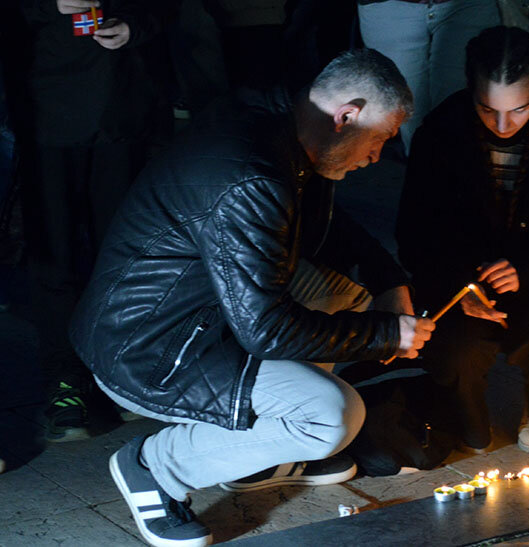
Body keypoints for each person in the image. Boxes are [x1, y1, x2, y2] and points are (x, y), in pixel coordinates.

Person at [69, 49, 435, 547]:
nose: (376, 156)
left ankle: (258, 456)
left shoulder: (284, 128)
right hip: (148, 348)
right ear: (346, 115)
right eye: (380, 138)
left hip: (195, 314)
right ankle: (155, 467)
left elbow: (332, 230)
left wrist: (392, 283)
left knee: (347, 293)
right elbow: (268, 330)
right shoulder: (251, 175)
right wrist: (385, 333)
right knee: (332, 414)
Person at [396, 26, 529, 454]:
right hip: (457, 285)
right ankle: (465, 411)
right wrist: (460, 285)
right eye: (487, 110)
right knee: (457, 357)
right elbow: (413, 235)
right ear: (470, 90)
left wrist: (525, 270)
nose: (503, 125)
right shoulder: (440, 134)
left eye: (519, 109)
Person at [19, 0, 165, 441]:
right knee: (55, 256)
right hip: (43, 107)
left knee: (122, 255)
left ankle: (120, 376)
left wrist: (135, 24)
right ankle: (66, 383)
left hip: (122, 108)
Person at [357, 0, 501, 154]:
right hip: (390, 7)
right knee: (407, 113)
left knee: (460, 107)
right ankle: (424, 172)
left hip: (466, 6)